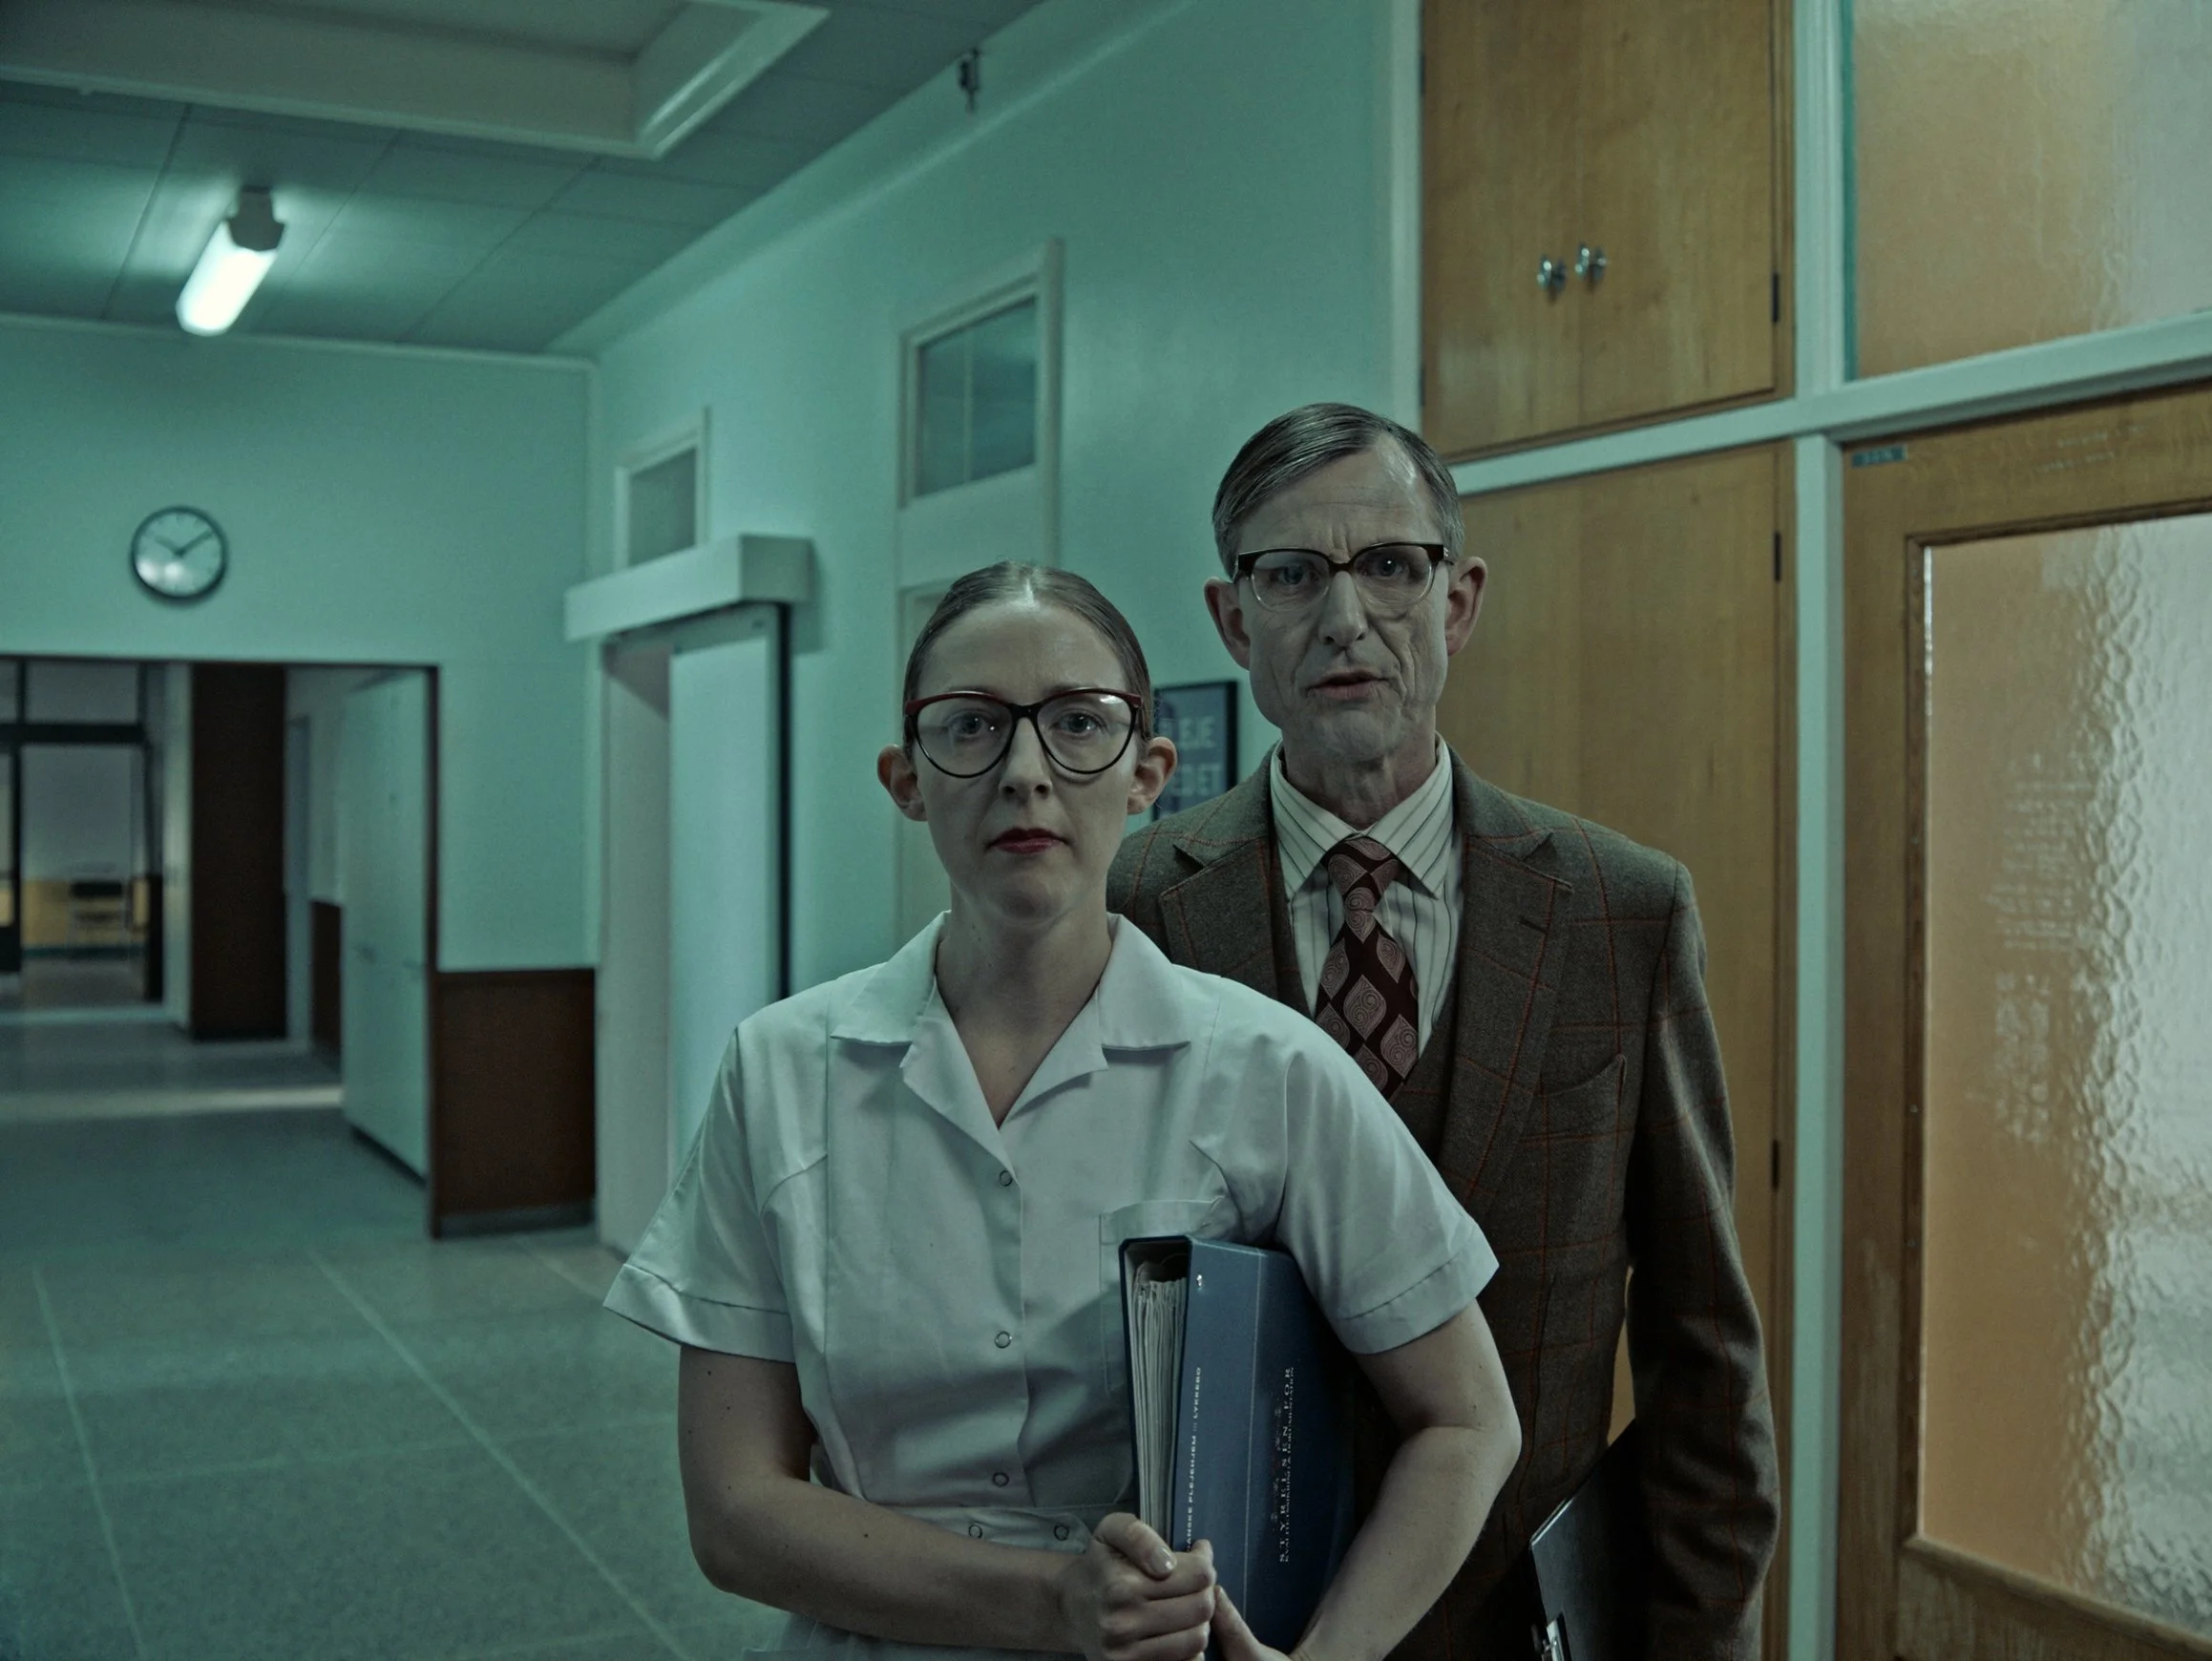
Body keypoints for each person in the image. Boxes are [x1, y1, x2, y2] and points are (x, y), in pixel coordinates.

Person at [604, 561, 1523, 1661]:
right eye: (971, 727)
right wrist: (1050, 1601)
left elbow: (1468, 1420)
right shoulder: (782, 1072)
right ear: (906, 777)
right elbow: (734, 1513)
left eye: (1080, 726)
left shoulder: (1266, 1068)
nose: (1026, 773)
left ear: (1149, 772)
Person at [1110, 406, 1780, 1660]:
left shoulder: (1619, 910)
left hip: (1518, 1625)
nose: (1344, 618)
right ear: (1231, 620)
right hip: (1222, 1625)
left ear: (1458, 601)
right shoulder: (1135, 908)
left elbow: (1705, 1353)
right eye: (1294, 573)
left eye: (1390, 568)